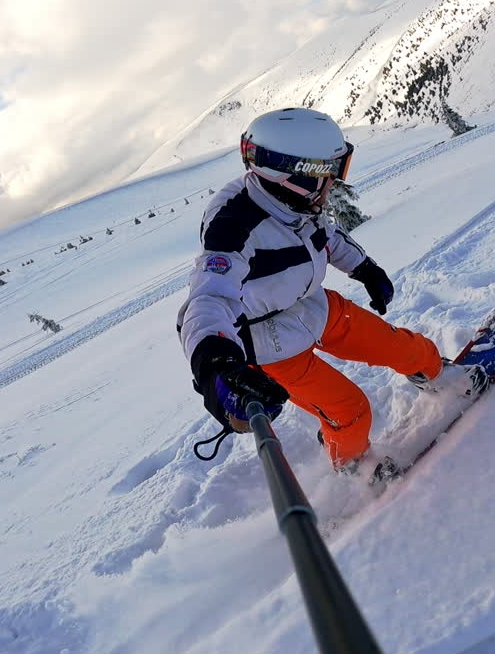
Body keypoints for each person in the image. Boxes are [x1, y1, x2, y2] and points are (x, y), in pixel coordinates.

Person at [176, 107, 459, 471]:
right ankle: (354, 465)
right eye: (330, 172)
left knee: (406, 348)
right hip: (270, 343)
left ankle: (439, 375)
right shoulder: (233, 226)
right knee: (351, 411)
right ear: (298, 176)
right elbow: (208, 299)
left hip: (315, 306)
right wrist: (215, 365)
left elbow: (325, 235)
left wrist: (364, 268)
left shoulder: (294, 201)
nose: (335, 182)